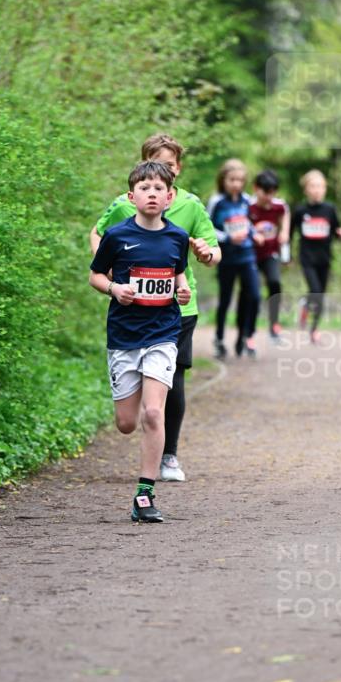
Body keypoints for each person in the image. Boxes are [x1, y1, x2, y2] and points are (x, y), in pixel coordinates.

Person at [90, 133, 220, 484]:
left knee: (162, 396)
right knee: (126, 421)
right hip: (128, 321)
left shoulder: (186, 214)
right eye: (157, 168)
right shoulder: (122, 214)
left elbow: (196, 259)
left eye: (170, 169)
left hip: (173, 317)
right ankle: (150, 434)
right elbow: (98, 249)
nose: (161, 180)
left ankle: (161, 466)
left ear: (174, 181)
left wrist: (199, 264)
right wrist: (115, 282)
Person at [89, 161, 191, 523]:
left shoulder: (178, 237)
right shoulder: (117, 236)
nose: (152, 194)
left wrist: (181, 289)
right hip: (124, 337)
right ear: (132, 197)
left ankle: (145, 494)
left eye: (158, 189)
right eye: (144, 188)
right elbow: (95, 275)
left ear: (169, 197)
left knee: (153, 412)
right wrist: (115, 288)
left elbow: (178, 273)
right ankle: (144, 485)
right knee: (127, 422)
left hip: (163, 334)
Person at [208, 159, 260, 359]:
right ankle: (219, 339)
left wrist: (254, 233)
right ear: (223, 180)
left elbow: (249, 223)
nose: (236, 184)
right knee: (226, 299)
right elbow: (208, 228)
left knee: (253, 296)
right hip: (227, 258)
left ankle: (244, 336)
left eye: (240, 180)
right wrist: (228, 237)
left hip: (247, 256)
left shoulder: (247, 200)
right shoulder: (217, 201)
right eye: (232, 180)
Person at [290, 170, 341, 343]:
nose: (317, 190)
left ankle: (314, 328)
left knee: (320, 295)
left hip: (325, 258)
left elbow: (336, 230)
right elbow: (290, 233)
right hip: (307, 258)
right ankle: (308, 312)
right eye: (313, 186)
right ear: (306, 190)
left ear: (325, 189)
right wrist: (287, 256)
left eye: (320, 186)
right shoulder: (300, 211)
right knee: (315, 291)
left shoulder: (329, 209)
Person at [250, 169, 290, 345]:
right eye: (265, 192)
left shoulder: (279, 206)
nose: (268, 196)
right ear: (256, 188)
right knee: (253, 293)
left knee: (275, 283)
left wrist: (285, 232)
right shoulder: (248, 206)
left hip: (270, 253)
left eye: (272, 192)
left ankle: (274, 324)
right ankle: (248, 331)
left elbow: (285, 214)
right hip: (251, 255)